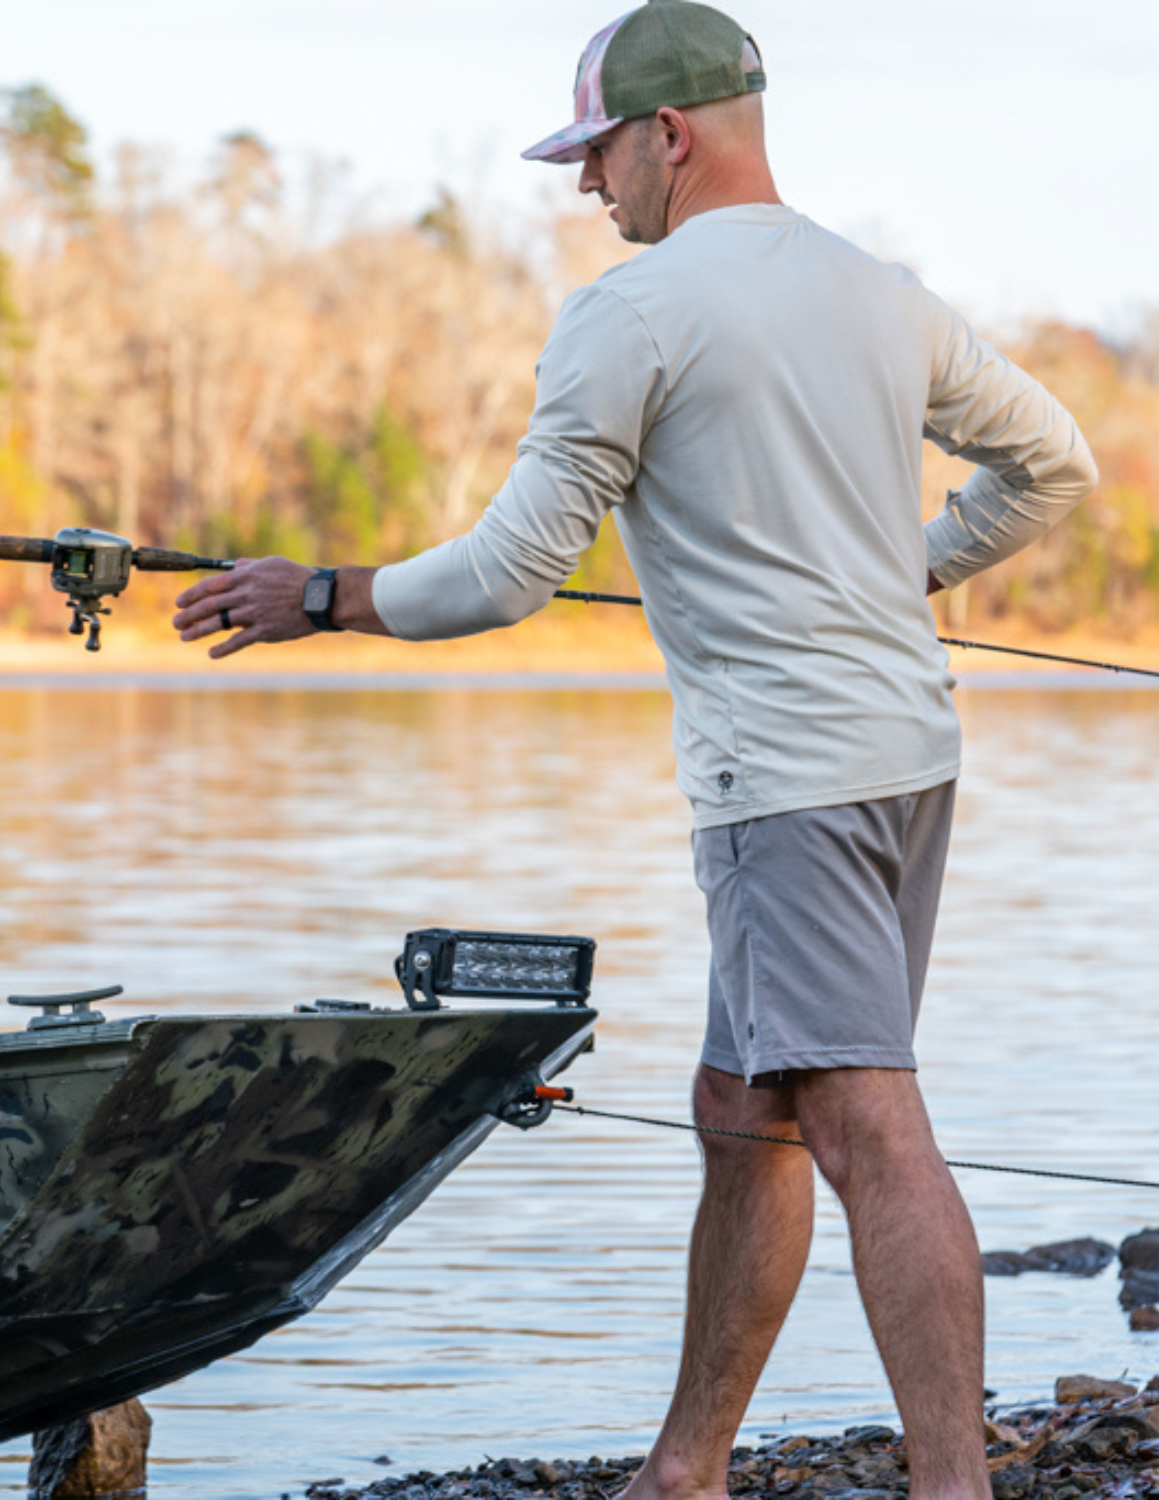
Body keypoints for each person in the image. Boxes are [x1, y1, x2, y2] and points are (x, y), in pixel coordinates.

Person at [173, 3, 1097, 1495]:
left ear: (668, 133)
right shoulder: (880, 292)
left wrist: (323, 597)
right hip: (902, 761)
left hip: (786, 784)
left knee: (861, 1116)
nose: (585, 184)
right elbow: (1054, 462)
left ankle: (950, 1483)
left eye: (596, 150)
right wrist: (907, 568)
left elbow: (507, 574)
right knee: (746, 1107)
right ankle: (686, 1465)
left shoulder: (637, 310)